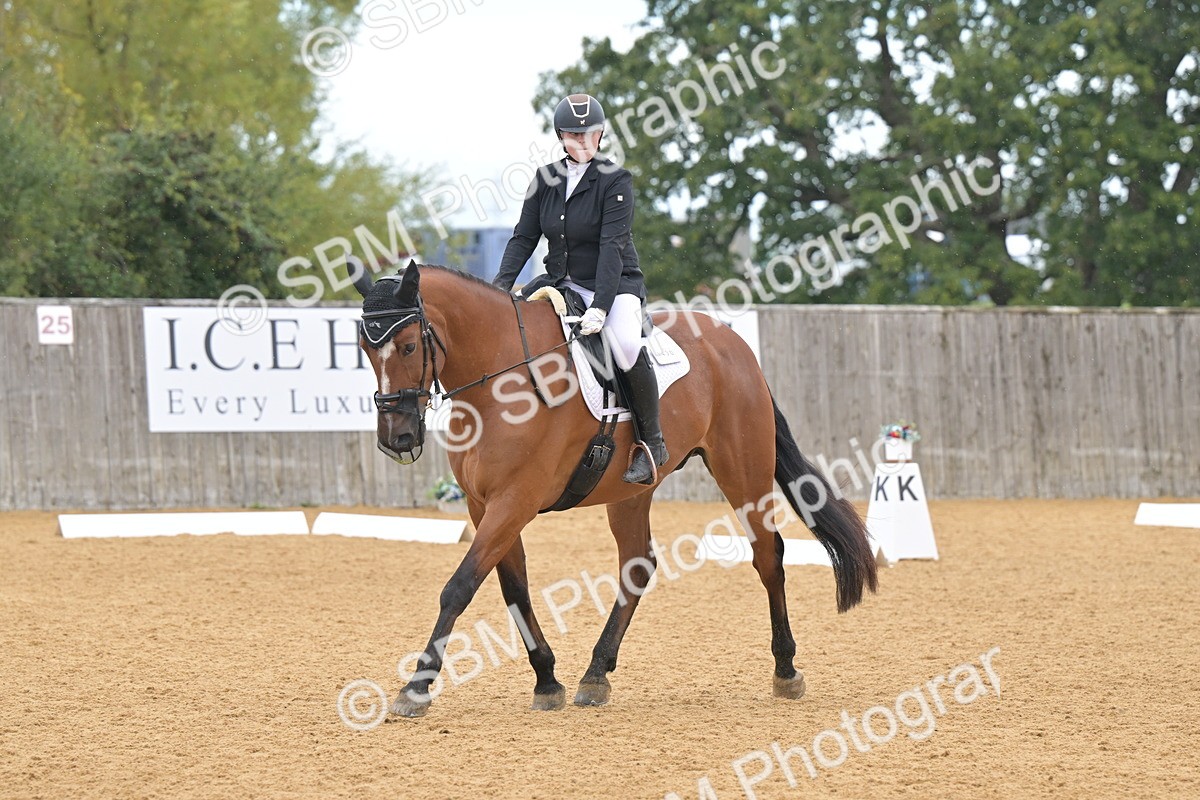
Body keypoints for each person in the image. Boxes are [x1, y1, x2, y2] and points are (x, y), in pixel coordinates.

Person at [492, 93, 668, 485]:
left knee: (623, 344)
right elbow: (524, 238)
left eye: (590, 134)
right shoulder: (545, 179)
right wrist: (500, 287)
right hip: (560, 283)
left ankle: (652, 443)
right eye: (574, 135)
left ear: (601, 134)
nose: (582, 142)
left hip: (615, 283)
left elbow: (612, 246)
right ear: (560, 136)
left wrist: (602, 306)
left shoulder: (615, 180)